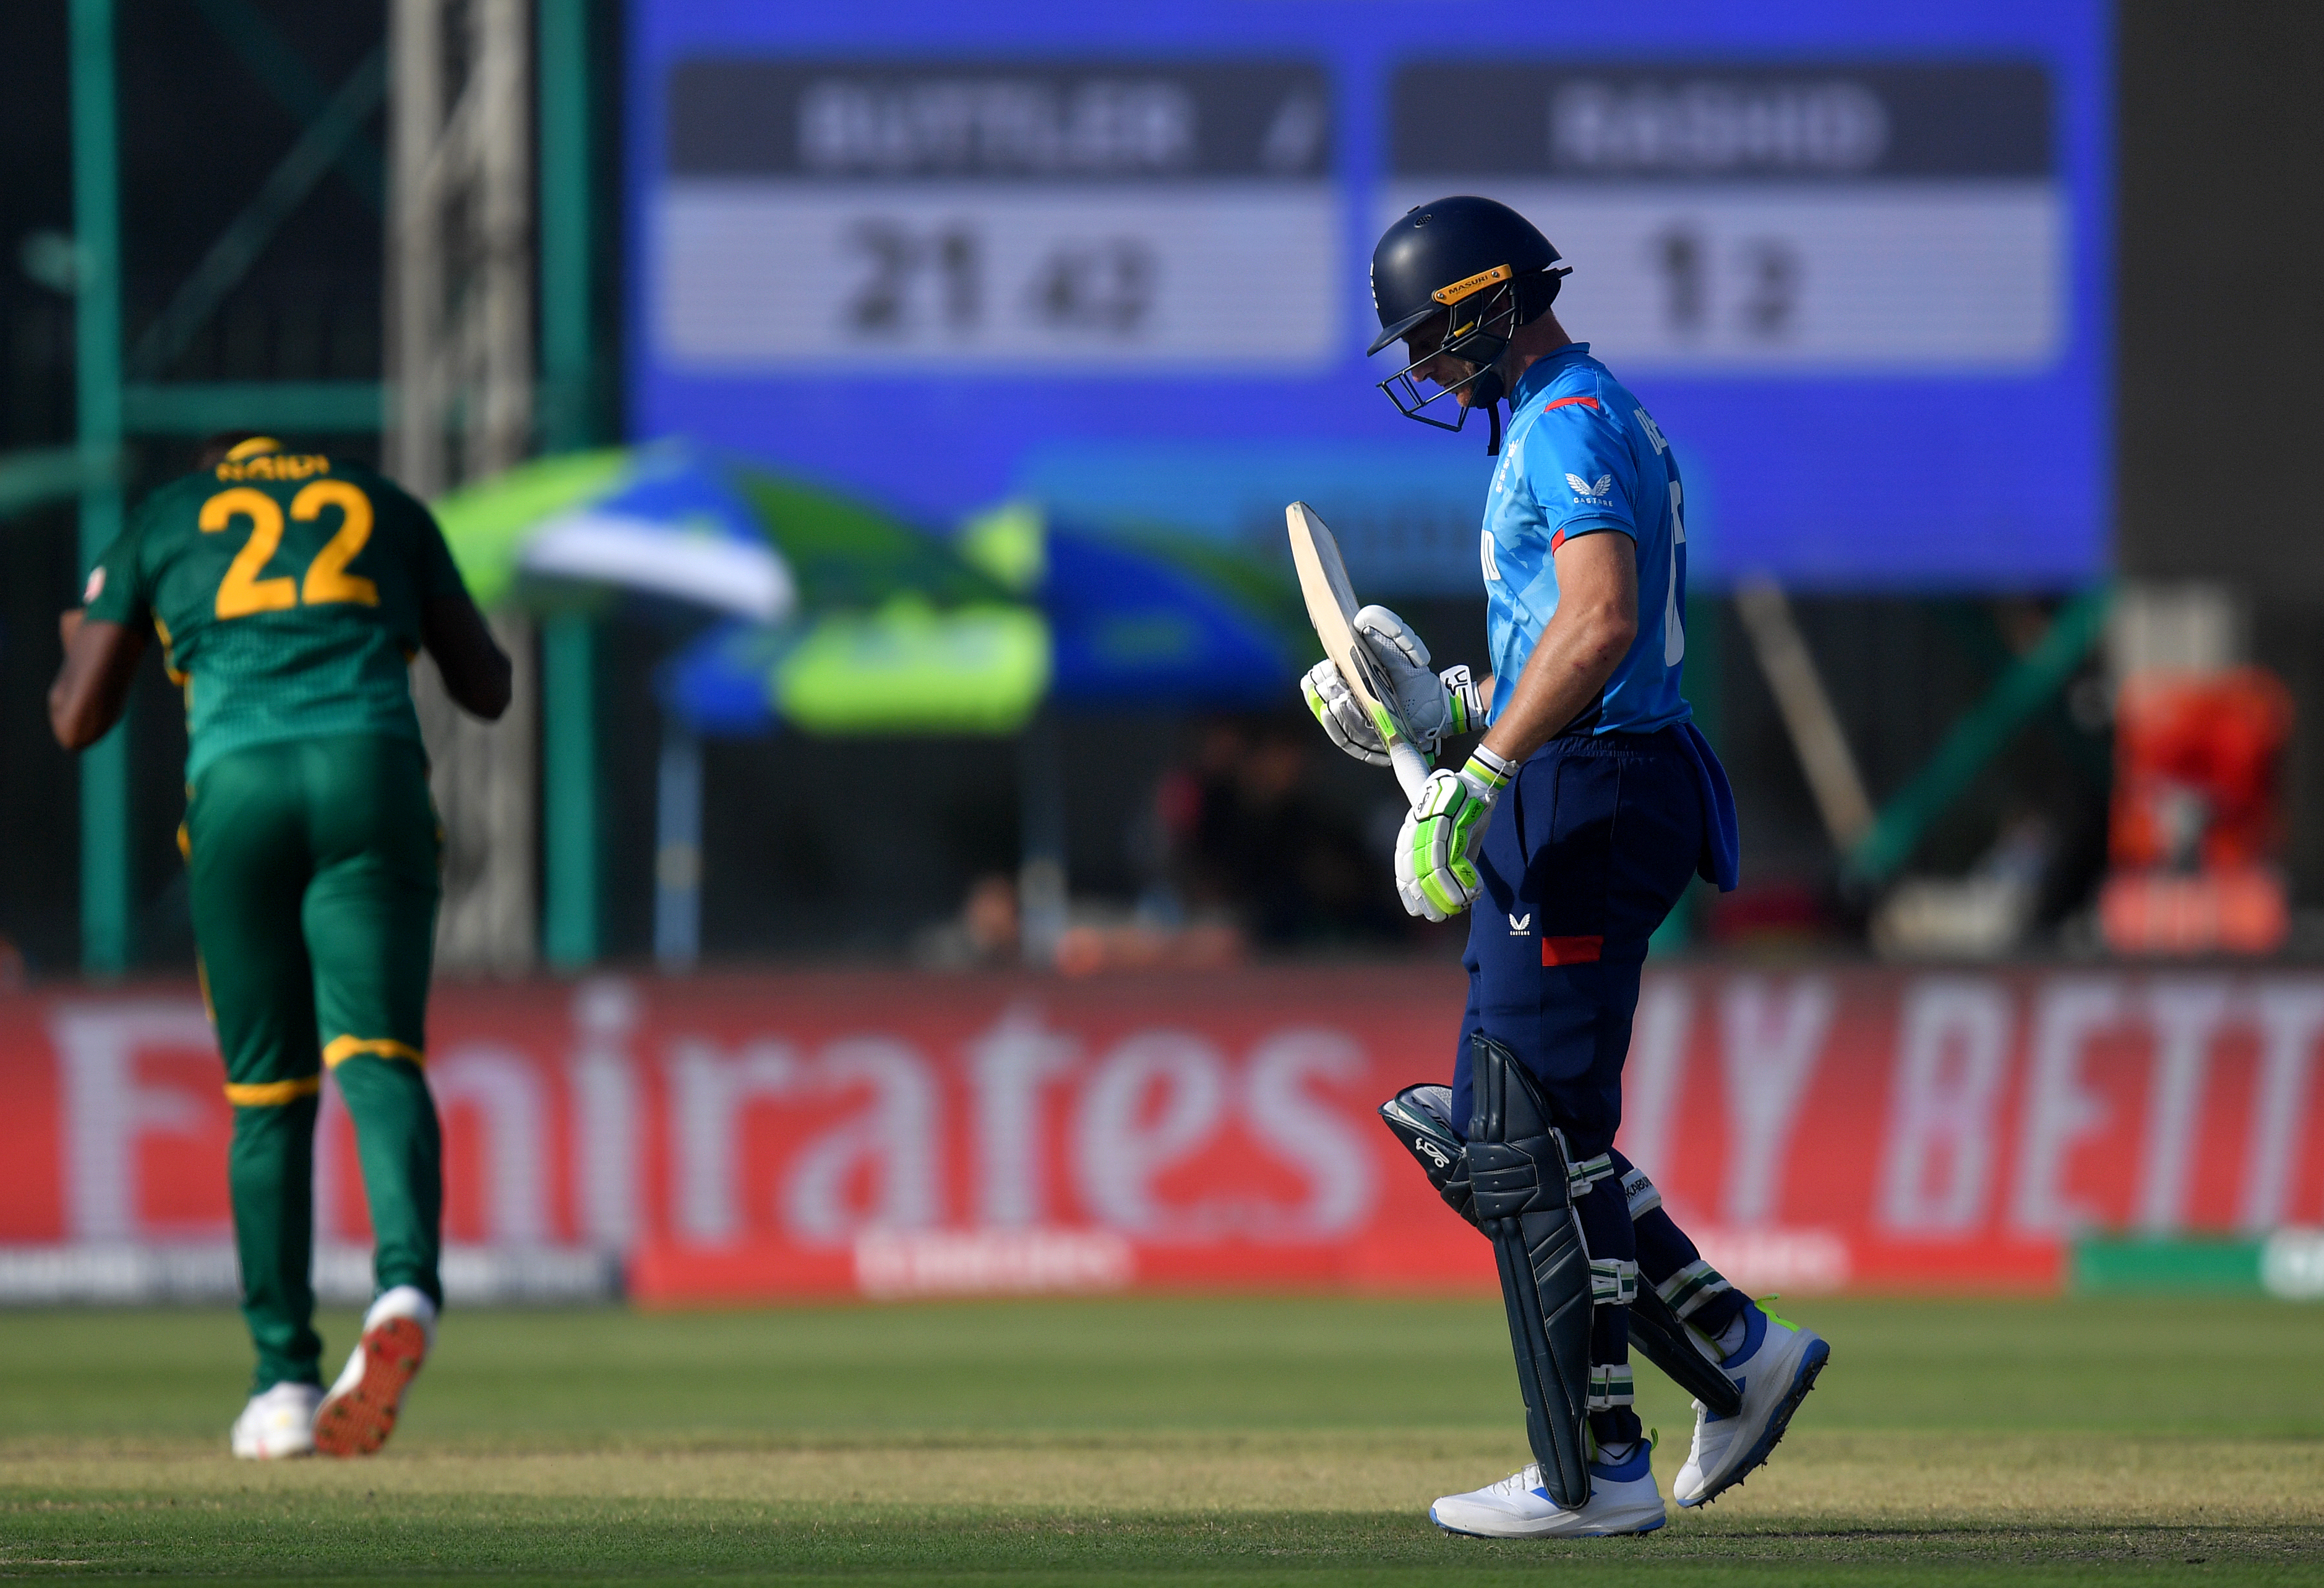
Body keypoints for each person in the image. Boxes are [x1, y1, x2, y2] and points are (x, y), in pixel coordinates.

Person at [1304, 197, 1830, 1538]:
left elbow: (1600, 630)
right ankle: (1735, 1352)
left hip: (1589, 794)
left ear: (1489, 302)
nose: (1421, 368)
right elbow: (1567, 640)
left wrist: (1474, 779)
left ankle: (1592, 1469)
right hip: (1580, 781)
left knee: (1517, 1143)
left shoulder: (1572, 420)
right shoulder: (1568, 417)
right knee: (1521, 1138)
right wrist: (1442, 715)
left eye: (1430, 335)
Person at [49, 433, 510, 1459]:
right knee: (379, 1058)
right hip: (371, 775)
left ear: (223, 467)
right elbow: (487, 690)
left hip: (240, 789)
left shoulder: (165, 521)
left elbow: (79, 721)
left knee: (267, 1101)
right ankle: (405, 1288)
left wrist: (85, 633)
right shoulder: (388, 507)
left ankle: (283, 1385)